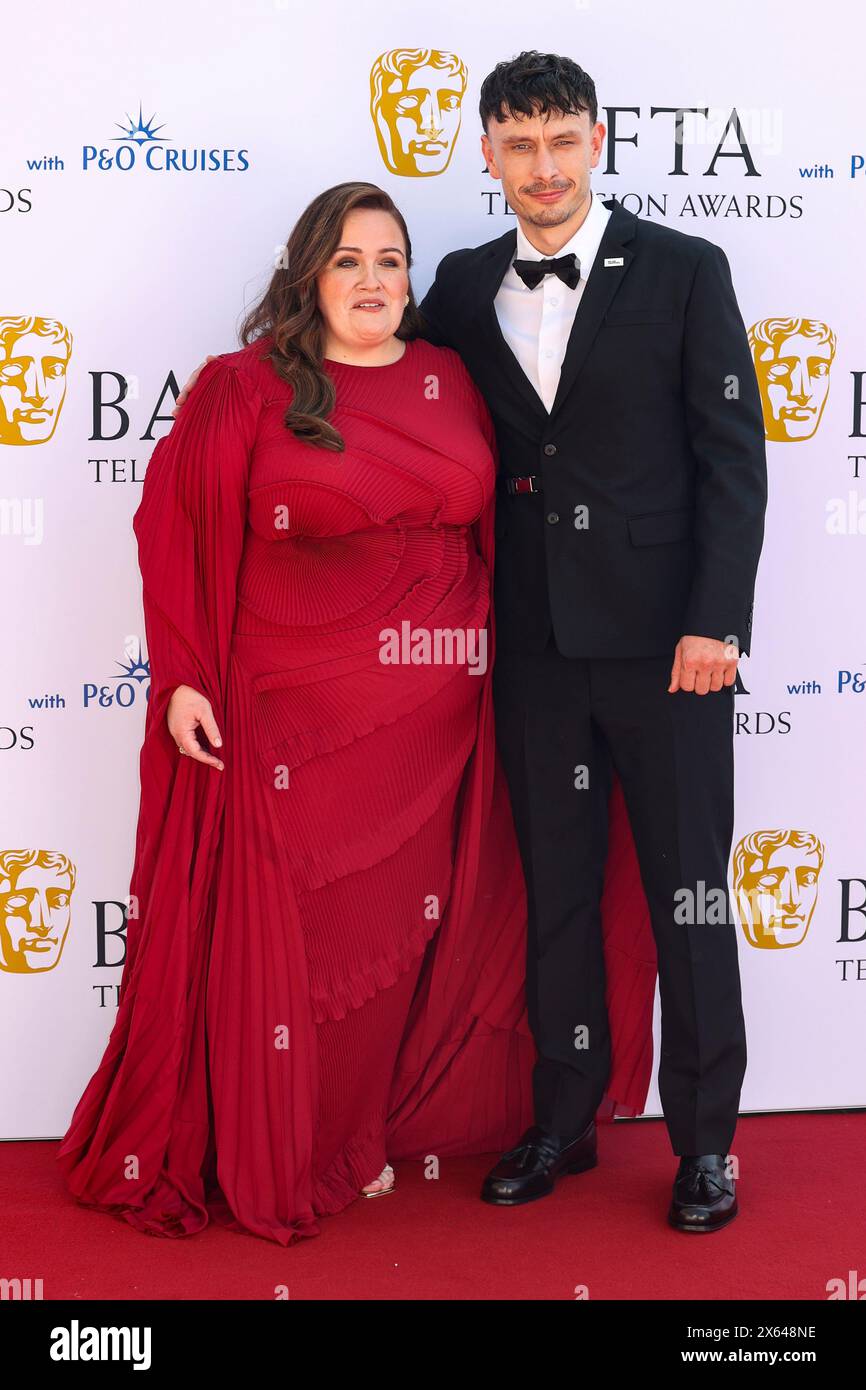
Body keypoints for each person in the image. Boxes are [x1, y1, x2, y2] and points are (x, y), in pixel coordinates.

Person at [56, 180, 655, 1246]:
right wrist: (184, 674)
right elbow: (178, 531)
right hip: (285, 719)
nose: (372, 280)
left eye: (390, 260)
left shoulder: (449, 379)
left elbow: (507, 528)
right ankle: (271, 1140)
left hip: (432, 718)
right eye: (347, 261)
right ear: (307, 277)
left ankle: (348, 1134)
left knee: (384, 945)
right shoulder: (242, 388)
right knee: (292, 943)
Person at [416, 51, 768, 1232]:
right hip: (535, 652)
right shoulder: (460, 289)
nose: (543, 166)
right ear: (485, 155)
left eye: (561, 139)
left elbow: (731, 459)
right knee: (558, 896)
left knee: (690, 900)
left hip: (673, 652)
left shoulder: (682, 269)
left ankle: (706, 1145)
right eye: (518, 145)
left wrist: (715, 622)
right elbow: (399, 415)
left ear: (597, 138)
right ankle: (561, 1122)